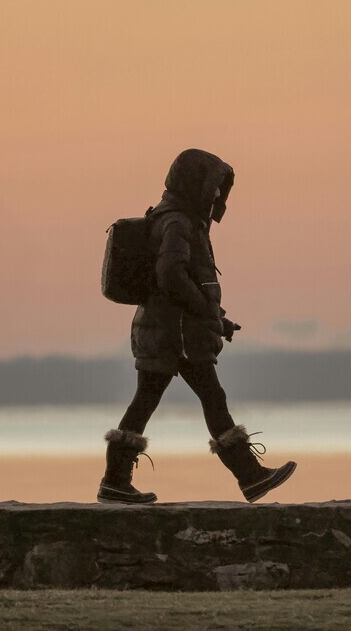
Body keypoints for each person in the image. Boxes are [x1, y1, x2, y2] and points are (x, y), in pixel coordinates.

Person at [98, 149, 297, 505]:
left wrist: (218, 319)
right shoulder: (177, 222)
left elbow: (184, 282)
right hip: (177, 336)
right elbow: (171, 276)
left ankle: (115, 482)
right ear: (195, 185)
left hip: (168, 331)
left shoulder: (175, 219)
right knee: (209, 397)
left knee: (151, 401)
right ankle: (249, 476)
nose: (218, 195)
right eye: (214, 186)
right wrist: (206, 310)